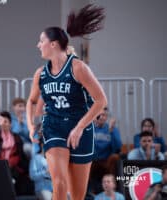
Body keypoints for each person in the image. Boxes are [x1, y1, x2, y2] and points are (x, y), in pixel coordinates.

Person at [26, 4, 107, 200]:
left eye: (41, 41)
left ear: (53, 44)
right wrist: (30, 126)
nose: (38, 45)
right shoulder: (41, 74)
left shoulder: (78, 68)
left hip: (81, 130)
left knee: (77, 195)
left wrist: (79, 127)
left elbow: (101, 100)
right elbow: (31, 101)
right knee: (59, 186)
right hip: (54, 128)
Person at [0, 111, 33, 195]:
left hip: (14, 166)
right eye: (2, 121)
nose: (4, 124)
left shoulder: (16, 137)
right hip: (0, 166)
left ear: (10, 123)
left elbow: (20, 154)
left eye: (6, 121)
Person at [89, 107, 122, 194]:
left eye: (104, 115)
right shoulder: (90, 128)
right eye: (99, 115)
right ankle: (89, 191)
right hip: (93, 160)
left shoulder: (112, 129)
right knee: (86, 159)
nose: (101, 117)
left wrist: (111, 131)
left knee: (115, 157)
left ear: (106, 117)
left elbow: (118, 147)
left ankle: (112, 189)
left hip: (106, 160)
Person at [29, 127, 52, 200]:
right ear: (42, 145)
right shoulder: (36, 158)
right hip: (42, 188)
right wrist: (45, 172)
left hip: (55, 187)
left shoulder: (54, 159)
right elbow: (32, 176)